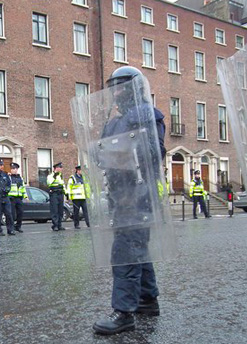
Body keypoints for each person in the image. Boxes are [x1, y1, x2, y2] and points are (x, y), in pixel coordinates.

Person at [92, 66, 166, 335]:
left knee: (125, 251)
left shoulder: (147, 115)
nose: (117, 92)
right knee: (137, 249)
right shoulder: (113, 121)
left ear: (134, 88)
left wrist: (118, 150)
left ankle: (124, 313)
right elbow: (101, 153)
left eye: (121, 87)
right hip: (120, 194)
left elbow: (152, 153)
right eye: (114, 87)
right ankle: (147, 299)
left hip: (138, 195)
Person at [0, 160, 16, 236]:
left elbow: (9, 184)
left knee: (9, 214)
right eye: (0, 165)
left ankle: (10, 230)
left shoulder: (5, 174)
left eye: (2, 165)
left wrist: (7, 189)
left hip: (5, 197)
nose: (2, 166)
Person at [8, 162, 26, 233]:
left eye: (15, 168)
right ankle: (11, 228)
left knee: (20, 213)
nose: (14, 170)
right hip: (11, 198)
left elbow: (23, 187)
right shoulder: (9, 177)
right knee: (12, 214)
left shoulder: (20, 178)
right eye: (12, 169)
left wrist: (25, 196)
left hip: (19, 198)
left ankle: (18, 226)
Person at [47, 162, 65, 231]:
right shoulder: (50, 175)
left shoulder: (60, 176)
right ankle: (55, 225)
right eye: (60, 167)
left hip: (60, 193)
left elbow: (63, 185)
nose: (61, 169)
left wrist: (66, 193)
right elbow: (49, 183)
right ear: (56, 168)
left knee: (60, 210)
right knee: (54, 210)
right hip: (54, 194)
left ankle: (59, 225)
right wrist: (54, 177)